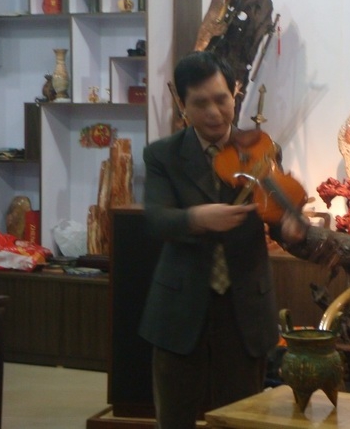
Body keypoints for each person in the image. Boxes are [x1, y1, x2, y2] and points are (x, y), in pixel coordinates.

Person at [138, 51, 307, 429]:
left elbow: (276, 218)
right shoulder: (162, 155)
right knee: (174, 419)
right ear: (182, 104)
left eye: (222, 99)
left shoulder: (262, 149)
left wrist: (291, 228)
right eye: (200, 103)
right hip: (179, 310)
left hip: (245, 309)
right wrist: (197, 218)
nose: (214, 112)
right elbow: (156, 219)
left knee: (242, 419)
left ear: (236, 94)